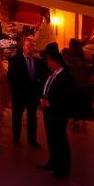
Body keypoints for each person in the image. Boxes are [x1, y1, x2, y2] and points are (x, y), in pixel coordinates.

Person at [38, 47, 73, 178]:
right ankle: (53, 161)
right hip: (48, 111)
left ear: (58, 62)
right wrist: (42, 98)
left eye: (50, 61)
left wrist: (50, 102)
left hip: (58, 112)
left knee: (60, 139)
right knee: (51, 137)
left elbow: (66, 96)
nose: (48, 63)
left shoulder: (65, 77)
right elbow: (45, 88)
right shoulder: (52, 74)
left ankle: (63, 167)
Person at [6, 36, 44, 148]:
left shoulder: (38, 62)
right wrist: (17, 93)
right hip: (19, 95)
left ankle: (32, 140)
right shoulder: (15, 60)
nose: (30, 48)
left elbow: (41, 78)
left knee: (32, 117)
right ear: (23, 47)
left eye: (32, 46)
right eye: (28, 46)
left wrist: (39, 93)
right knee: (17, 116)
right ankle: (16, 137)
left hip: (32, 95)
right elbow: (11, 78)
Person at [62, 38, 94, 130]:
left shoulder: (69, 56)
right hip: (88, 84)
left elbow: (68, 67)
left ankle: (75, 121)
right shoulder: (85, 55)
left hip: (77, 84)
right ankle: (82, 122)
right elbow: (93, 67)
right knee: (83, 103)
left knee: (75, 102)